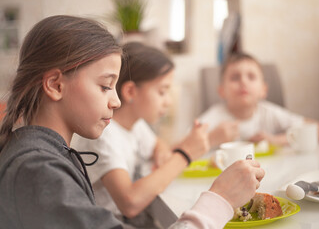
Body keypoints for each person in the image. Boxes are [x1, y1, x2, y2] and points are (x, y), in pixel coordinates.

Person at [0, 15, 265, 229]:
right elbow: (129, 202)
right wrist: (221, 198)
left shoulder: (42, 157)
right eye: (105, 86)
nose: (116, 101)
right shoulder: (38, 171)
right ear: (56, 85)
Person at [72, 42, 214, 227]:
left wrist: (162, 154)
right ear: (130, 91)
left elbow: (158, 144)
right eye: (162, 91)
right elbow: (129, 202)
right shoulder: (104, 135)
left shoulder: (135, 124)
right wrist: (185, 154)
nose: (168, 101)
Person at [198, 53, 319, 148]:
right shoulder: (214, 117)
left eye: (251, 77)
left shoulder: (270, 113)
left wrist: (275, 140)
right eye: (235, 77)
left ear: (263, 89)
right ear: (221, 91)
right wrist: (212, 138)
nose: (243, 81)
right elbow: (182, 149)